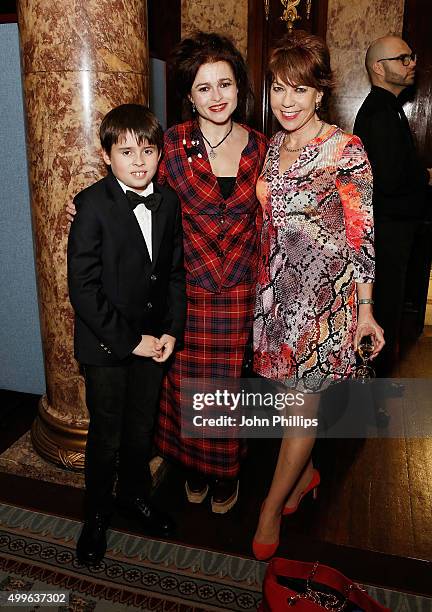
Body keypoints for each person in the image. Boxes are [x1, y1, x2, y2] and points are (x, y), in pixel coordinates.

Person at [251, 31, 385, 560]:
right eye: (279, 89)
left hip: (325, 305)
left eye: (299, 90)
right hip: (276, 300)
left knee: (299, 413)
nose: (287, 102)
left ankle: (267, 511)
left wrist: (366, 310)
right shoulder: (272, 147)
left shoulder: (346, 149)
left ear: (320, 93)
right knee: (288, 407)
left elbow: (362, 234)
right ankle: (305, 474)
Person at [67, 104, 186, 566]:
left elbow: (175, 272)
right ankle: (96, 516)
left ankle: (135, 497)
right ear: (106, 156)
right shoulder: (92, 204)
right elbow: (84, 289)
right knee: (107, 436)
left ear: (160, 154)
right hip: (106, 346)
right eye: (126, 151)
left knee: (141, 430)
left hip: (153, 341)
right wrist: (129, 340)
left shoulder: (169, 202)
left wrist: (171, 331)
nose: (139, 161)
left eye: (148, 150)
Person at [154, 31, 268, 513]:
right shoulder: (170, 145)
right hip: (191, 290)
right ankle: (193, 465)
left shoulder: (263, 148)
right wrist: (89, 212)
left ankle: (224, 475)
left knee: (227, 389)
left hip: (241, 290)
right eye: (204, 87)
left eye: (225, 84)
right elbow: (133, 192)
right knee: (186, 387)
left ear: (240, 88)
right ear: (189, 94)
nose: (217, 96)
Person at [353, 35, 431, 377]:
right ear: (378, 68)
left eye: (411, 56)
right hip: (385, 235)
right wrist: (424, 178)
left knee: (387, 312)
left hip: (394, 232)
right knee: (380, 316)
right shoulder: (379, 112)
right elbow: (388, 180)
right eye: (403, 58)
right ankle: (367, 399)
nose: (412, 63)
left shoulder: (389, 108)